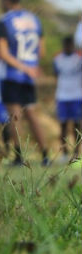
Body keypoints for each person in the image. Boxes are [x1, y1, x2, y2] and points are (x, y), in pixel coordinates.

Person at [0, 0, 49, 166]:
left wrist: (23, 67)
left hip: (13, 75)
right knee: (32, 114)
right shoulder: (35, 20)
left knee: (15, 116)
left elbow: (3, 53)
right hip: (30, 76)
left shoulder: (4, 21)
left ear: (7, 0)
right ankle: (45, 155)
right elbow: (42, 51)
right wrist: (30, 68)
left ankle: (19, 157)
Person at [53, 35, 82, 164]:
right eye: (66, 45)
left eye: (70, 45)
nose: (68, 48)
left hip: (76, 96)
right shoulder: (57, 59)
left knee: (76, 126)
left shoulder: (79, 59)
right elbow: (56, 75)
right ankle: (64, 154)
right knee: (63, 126)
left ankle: (76, 154)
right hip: (62, 96)